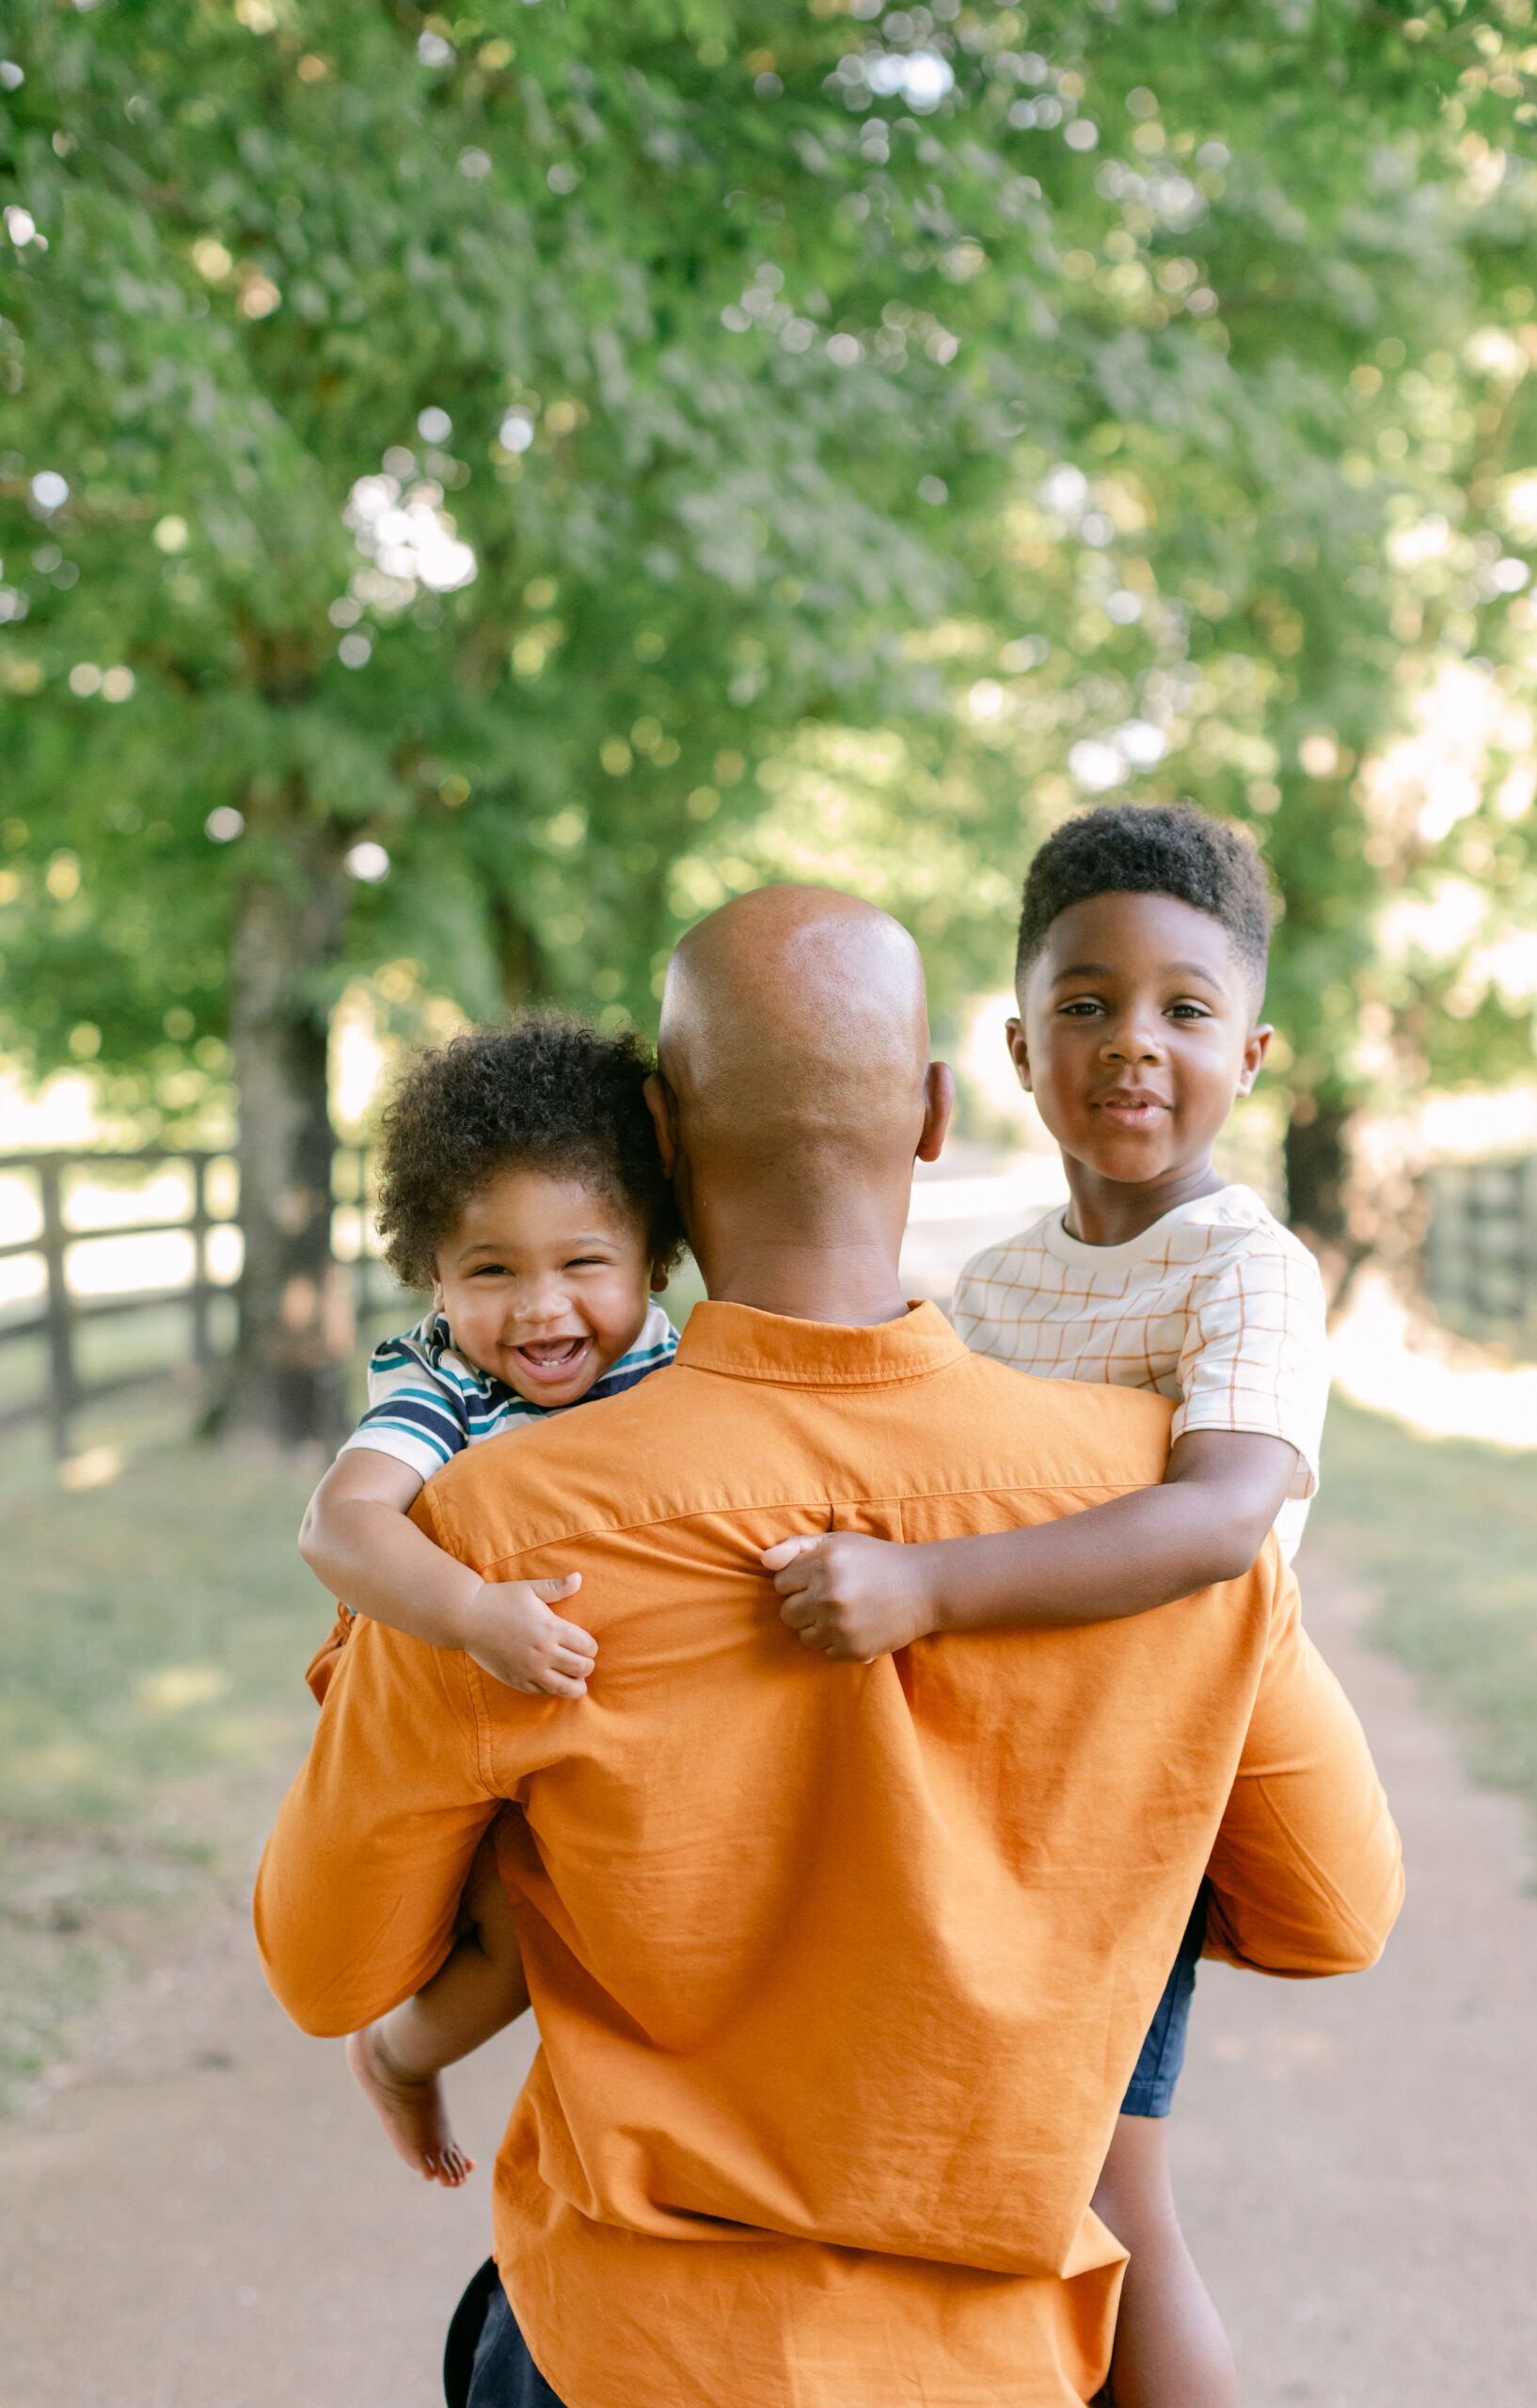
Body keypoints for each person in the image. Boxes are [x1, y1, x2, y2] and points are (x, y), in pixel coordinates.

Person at [257, 884, 1402, 2408]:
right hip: (988, 2365)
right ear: (932, 1111)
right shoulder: (1153, 1499)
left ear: (657, 1139)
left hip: (626, 2351)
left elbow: (327, 1968)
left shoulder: (487, 1527)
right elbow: (1334, 1913)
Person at [761, 803, 1327, 2404]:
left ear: (1251, 1052)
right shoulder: (998, 1291)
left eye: (1181, 1010)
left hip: (1137, 1793)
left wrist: (927, 1588)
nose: (1129, 1043)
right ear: (1017, 1048)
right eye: (1085, 1004)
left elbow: (1220, 1517)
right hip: (1001, 1793)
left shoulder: (1245, 1272)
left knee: (1101, 2181)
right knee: (987, 2158)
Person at [297, 1014, 681, 2184]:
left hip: (601, 1716)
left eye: (582, 1263)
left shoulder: (678, 1367)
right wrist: (472, 1612)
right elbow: (339, 1522)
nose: (542, 1310)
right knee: (515, 1941)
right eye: (491, 1271)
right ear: (434, 1276)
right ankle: (401, 2060)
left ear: (655, 1254)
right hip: (453, 1694)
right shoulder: (447, 1386)